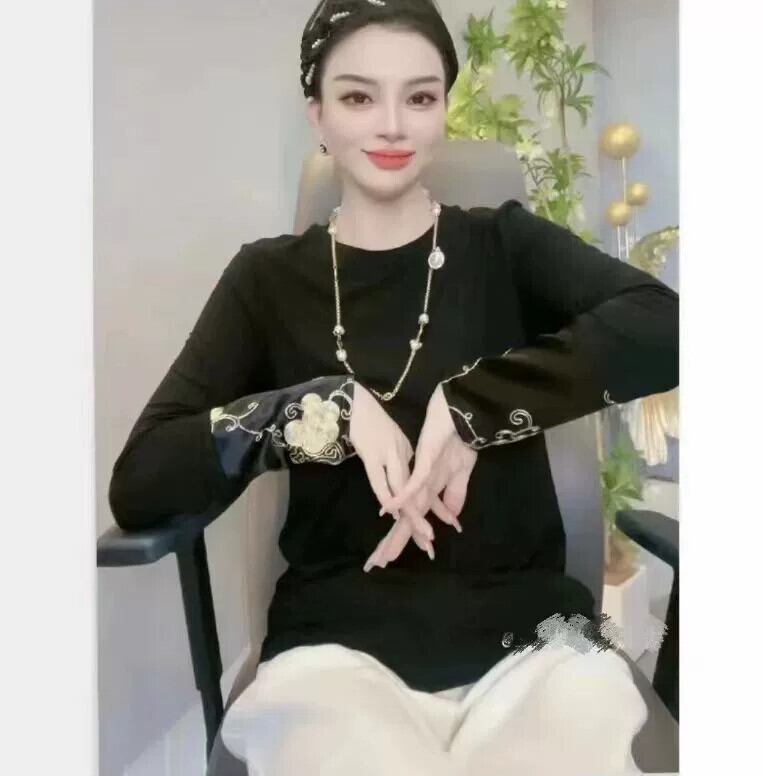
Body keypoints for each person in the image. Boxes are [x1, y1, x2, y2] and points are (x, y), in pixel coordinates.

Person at [108, 1, 679, 773]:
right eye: (357, 96)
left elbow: (666, 326)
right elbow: (141, 481)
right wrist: (319, 411)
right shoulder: (267, 279)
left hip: (542, 639)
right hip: (332, 653)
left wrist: (475, 403)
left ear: (442, 111)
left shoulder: (503, 244)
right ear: (317, 115)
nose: (392, 125)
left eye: (419, 96)